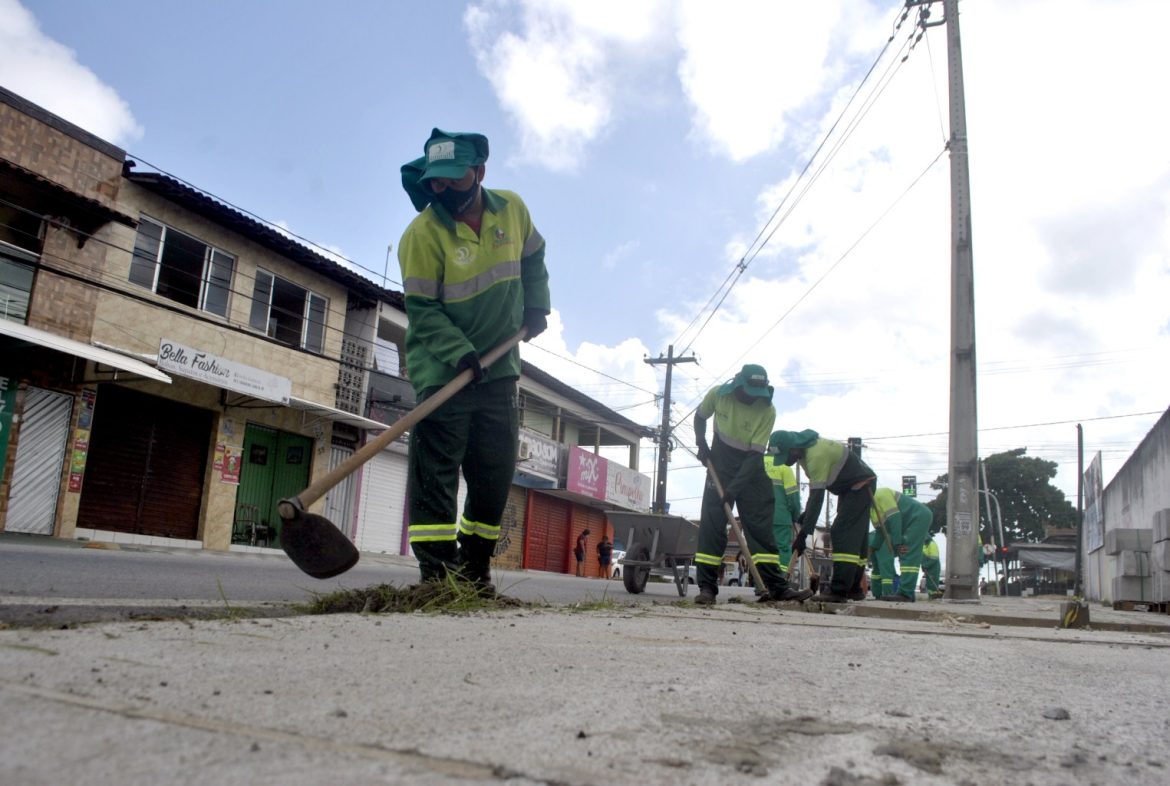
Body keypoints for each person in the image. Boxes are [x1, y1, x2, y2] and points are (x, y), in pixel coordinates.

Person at [397, 128, 551, 593]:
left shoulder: (513, 209)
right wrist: (459, 352)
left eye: (454, 179)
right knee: (435, 477)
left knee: (494, 471)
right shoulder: (422, 235)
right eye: (435, 182)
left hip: (500, 370)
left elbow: (534, 257)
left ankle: (474, 567)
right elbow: (423, 311)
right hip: (444, 370)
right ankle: (437, 576)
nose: (443, 190)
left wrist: (536, 304)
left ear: (480, 172)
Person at [692, 365, 813, 606]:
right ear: (737, 384)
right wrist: (701, 444)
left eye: (757, 393)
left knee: (760, 527)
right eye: (748, 391)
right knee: (712, 525)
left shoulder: (768, 411)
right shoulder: (718, 394)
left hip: (752, 469)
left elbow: (754, 456)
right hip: (720, 466)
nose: (752, 397)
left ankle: (776, 586)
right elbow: (700, 417)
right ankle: (707, 588)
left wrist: (733, 490)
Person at [771, 430, 877, 603]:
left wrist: (804, 534)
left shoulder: (815, 455)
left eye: (786, 455)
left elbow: (817, 497)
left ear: (794, 448)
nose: (786, 461)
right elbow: (814, 493)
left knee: (842, 533)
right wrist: (807, 515)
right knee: (857, 538)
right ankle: (854, 589)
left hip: (860, 487)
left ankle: (839, 590)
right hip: (849, 489)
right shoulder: (805, 455)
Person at [868, 487, 933, 603]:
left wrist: (897, 544)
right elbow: (881, 531)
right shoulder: (871, 510)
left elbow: (895, 518)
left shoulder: (881, 494)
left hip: (918, 517)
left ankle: (906, 593)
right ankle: (905, 593)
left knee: (907, 551)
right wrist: (873, 548)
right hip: (908, 522)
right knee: (905, 551)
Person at [763, 451, 802, 578]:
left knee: (761, 550)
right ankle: (781, 582)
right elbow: (793, 498)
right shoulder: (784, 468)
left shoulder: (756, 464)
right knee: (782, 549)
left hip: (758, 517)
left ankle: (762, 584)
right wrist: (796, 516)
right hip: (780, 516)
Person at [867, 528, 895, 599]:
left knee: (876, 569)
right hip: (884, 539)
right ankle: (887, 594)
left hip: (871, 537)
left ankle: (877, 594)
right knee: (886, 569)